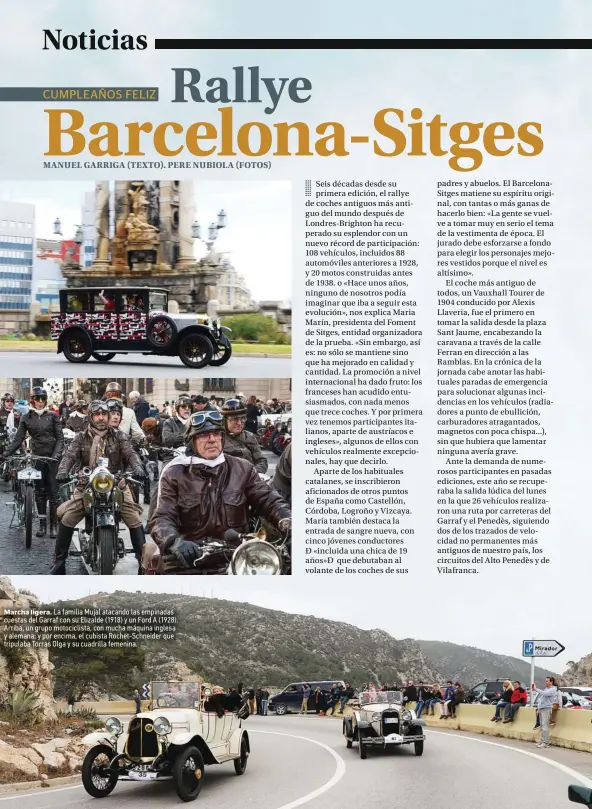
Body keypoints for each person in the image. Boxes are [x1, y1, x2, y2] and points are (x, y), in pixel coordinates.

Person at [149, 411, 291, 574]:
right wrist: (174, 542)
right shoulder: (174, 473)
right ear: (191, 442)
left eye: (216, 434)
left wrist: (287, 520)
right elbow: (161, 517)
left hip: (236, 560)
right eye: (204, 435)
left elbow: (268, 500)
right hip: (185, 562)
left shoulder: (242, 469)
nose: (212, 440)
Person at [51, 400, 146, 574]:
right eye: (97, 414)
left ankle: (144, 563)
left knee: (134, 517)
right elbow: (69, 455)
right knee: (67, 517)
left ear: (109, 416)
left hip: (116, 483)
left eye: (104, 414)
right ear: (91, 417)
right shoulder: (80, 437)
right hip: (87, 484)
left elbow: (130, 453)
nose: (101, 418)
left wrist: (138, 467)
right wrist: (63, 471)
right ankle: (59, 562)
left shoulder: (119, 436)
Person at [1, 387, 63, 539]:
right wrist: (6, 453)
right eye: (37, 399)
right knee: (39, 491)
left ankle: (54, 526)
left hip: (52, 458)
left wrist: (56, 455)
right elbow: (18, 438)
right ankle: (42, 526)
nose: (40, 402)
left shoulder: (53, 416)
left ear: (45, 399)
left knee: (53, 492)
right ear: (32, 400)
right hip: (36, 457)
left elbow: (60, 438)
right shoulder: (26, 417)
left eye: (42, 399)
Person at [221, 398, 268, 473]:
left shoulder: (250, 436)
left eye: (242, 418)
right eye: (234, 419)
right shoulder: (218, 439)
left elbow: (261, 460)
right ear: (224, 420)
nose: (239, 423)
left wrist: (254, 474)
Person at [532, 677, 559, 748]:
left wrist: (536, 689)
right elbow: (541, 700)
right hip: (542, 709)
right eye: (545, 681)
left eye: (547, 681)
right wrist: (538, 709)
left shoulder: (553, 689)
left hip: (547, 709)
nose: (545, 682)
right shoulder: (546, 688)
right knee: (542, 726)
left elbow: (545, 694)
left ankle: (545, 742)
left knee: (545, 726)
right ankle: (542, 741)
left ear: (551, 682)